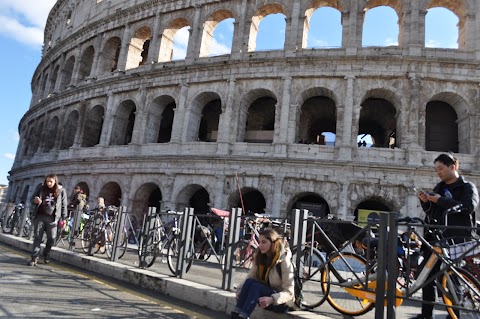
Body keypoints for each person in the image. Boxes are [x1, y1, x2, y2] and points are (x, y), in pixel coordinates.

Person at [412, 154, 479, 319]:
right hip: (436, 238)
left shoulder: (467, 187)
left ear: (453, 167)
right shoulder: (439, 187)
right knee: (428, 277)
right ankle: (426, 314)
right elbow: (432, 213)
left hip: (457, 239)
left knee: (452, 277)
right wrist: (426, 201)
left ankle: (453, 314)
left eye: (440, 168)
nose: (438, 172)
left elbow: (468, 207)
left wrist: (440, 200)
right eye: (436, 169)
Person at [232, 229, 295, 319]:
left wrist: (272, 299)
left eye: (264, 242)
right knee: (250, 282)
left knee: (256, 287)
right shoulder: (260, 256)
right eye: (259, 242)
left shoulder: (284, 261)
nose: (260, 245)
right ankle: (236, 314)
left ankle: (243, 316)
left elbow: (289, 293)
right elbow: (251, 276)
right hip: (264, 296)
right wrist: (240, 290)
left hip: (281, 302)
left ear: (273, 243)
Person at [28, 174, 68, 266]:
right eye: (47, 181)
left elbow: (63, 205)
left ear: (55, 182)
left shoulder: (61, 190)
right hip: (40, 216)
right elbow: (31, 199)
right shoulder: (41, 188)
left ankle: (46, 253)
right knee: (37, 237)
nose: (49, 183)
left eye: (51, 181)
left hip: (53, 218)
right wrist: (35, 200)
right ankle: (34, 258)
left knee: (51, 239)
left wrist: (64, 218)